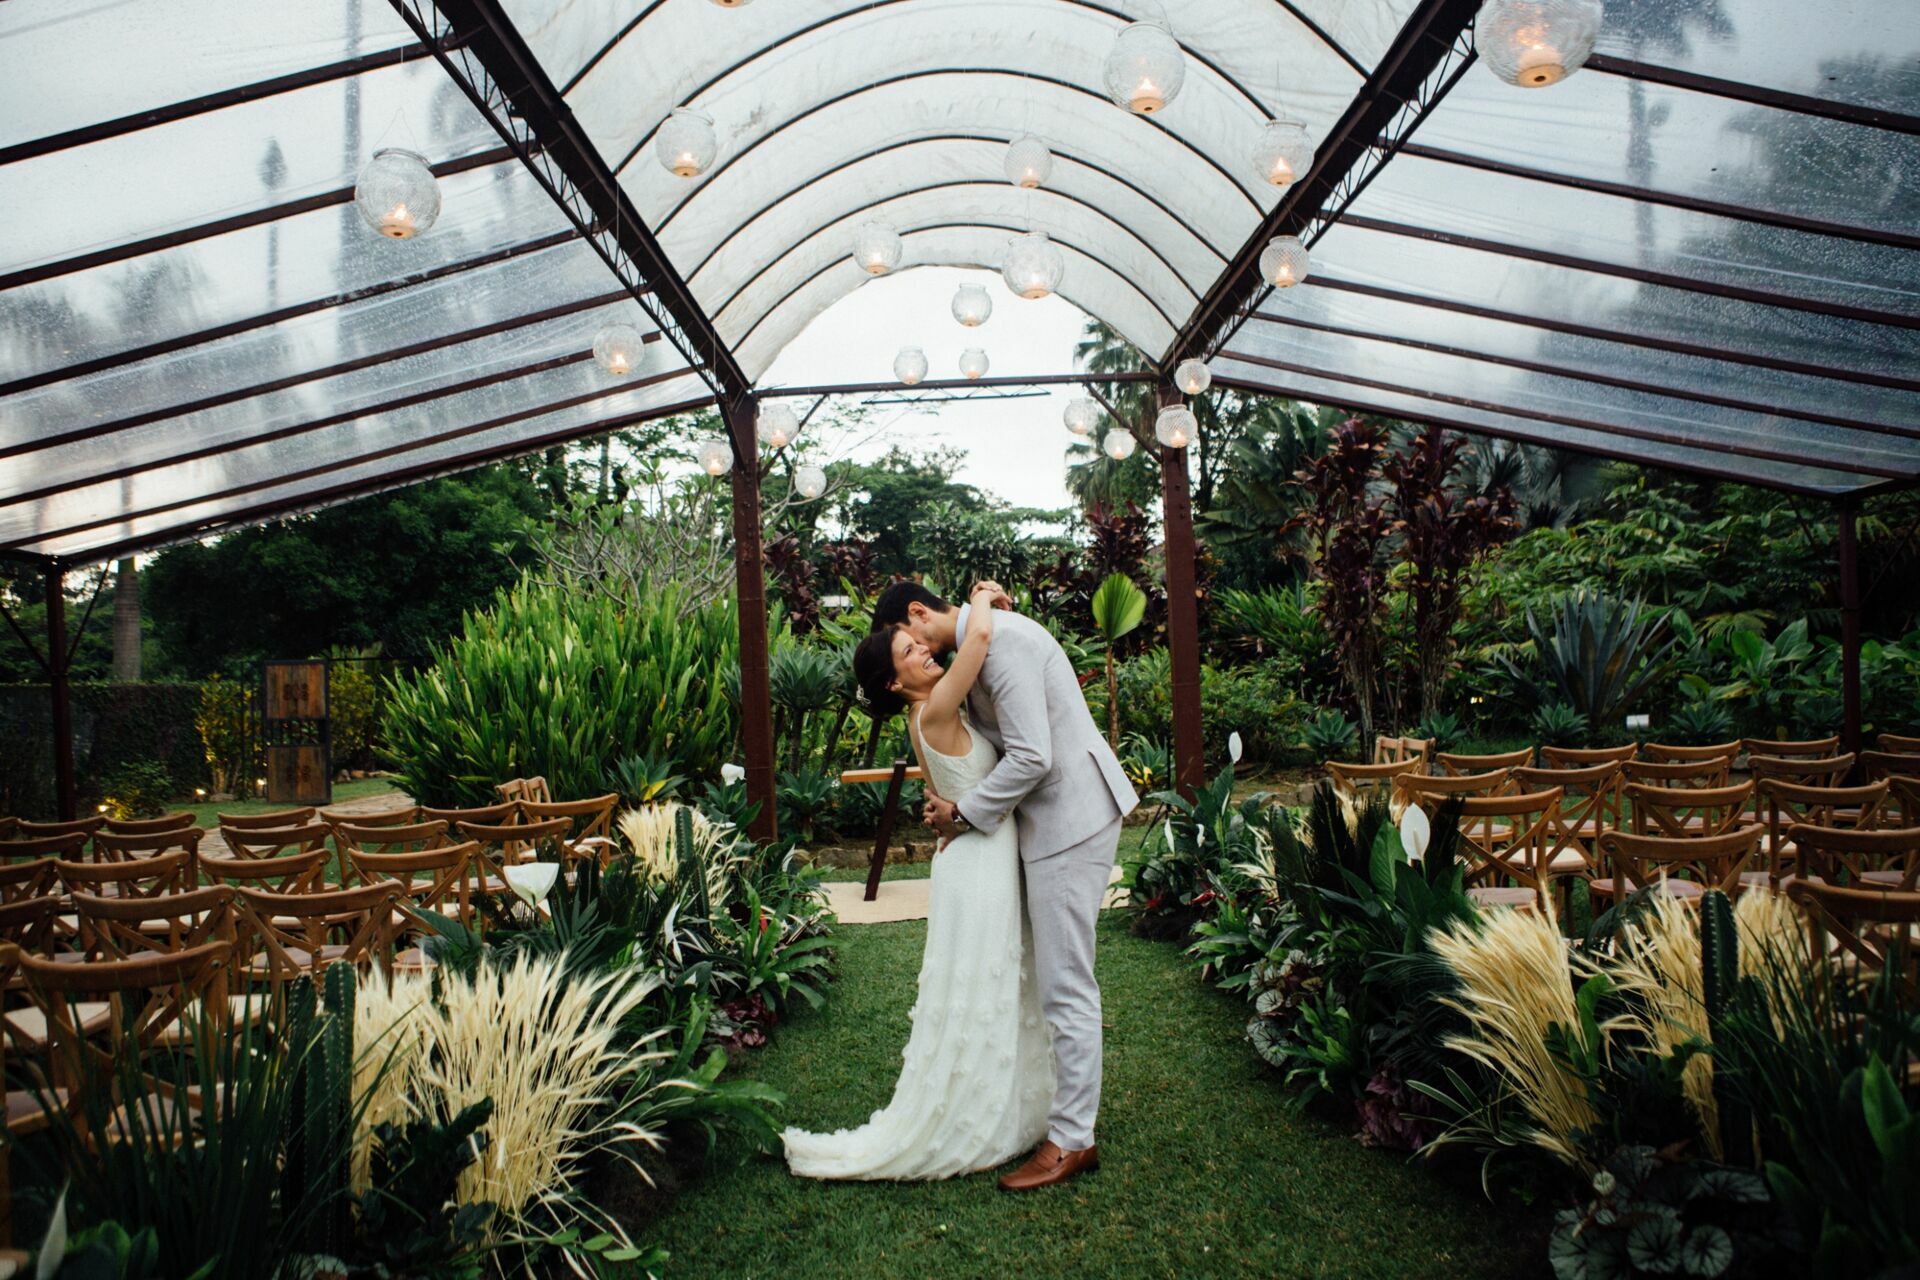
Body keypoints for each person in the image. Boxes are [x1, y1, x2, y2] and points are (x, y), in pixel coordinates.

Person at [782, 582, 1052, 1180]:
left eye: (917, 644)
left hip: (971, 856)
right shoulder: (933, 709)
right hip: (977, 863)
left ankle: (997, 1103)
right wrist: (982, 594)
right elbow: (976, 637)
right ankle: (976, 1114)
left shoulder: (922, 714)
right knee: (984, 983)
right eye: (910, 652)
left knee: (986, 984)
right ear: (894, 683)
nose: (926, 653)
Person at [882, 580, 1137, 1190]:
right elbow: (994, 746)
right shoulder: (980, 643)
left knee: (1066, 981)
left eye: (905, 638)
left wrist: (965, 812)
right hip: (1045, 822)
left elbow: (1032, 758)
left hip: (1070, 820)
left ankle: (1074, 1140)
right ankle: (1053, 1114)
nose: (918, 651)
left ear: (918, 616)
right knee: (1051, 979)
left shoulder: (1002, 643)